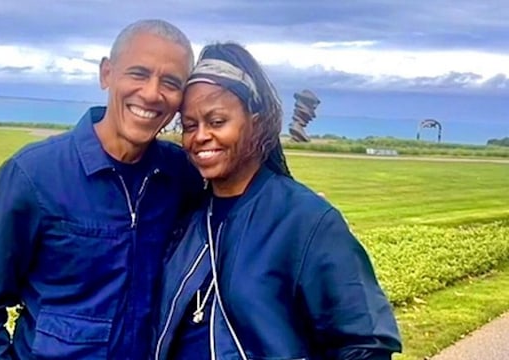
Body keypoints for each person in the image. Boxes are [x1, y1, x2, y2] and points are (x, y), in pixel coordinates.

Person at [0, 19, 205, 359]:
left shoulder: (181, 175)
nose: (151, 93)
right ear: (107, 74)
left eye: (171, 82)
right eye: (138, 73)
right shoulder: (34, 174)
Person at [153, 42, 402, 360]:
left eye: (216, 122)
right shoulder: (188, 219)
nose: (200, 136)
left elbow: (364, 343)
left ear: (256, 123)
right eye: (189, 126)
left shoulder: (306, 221)